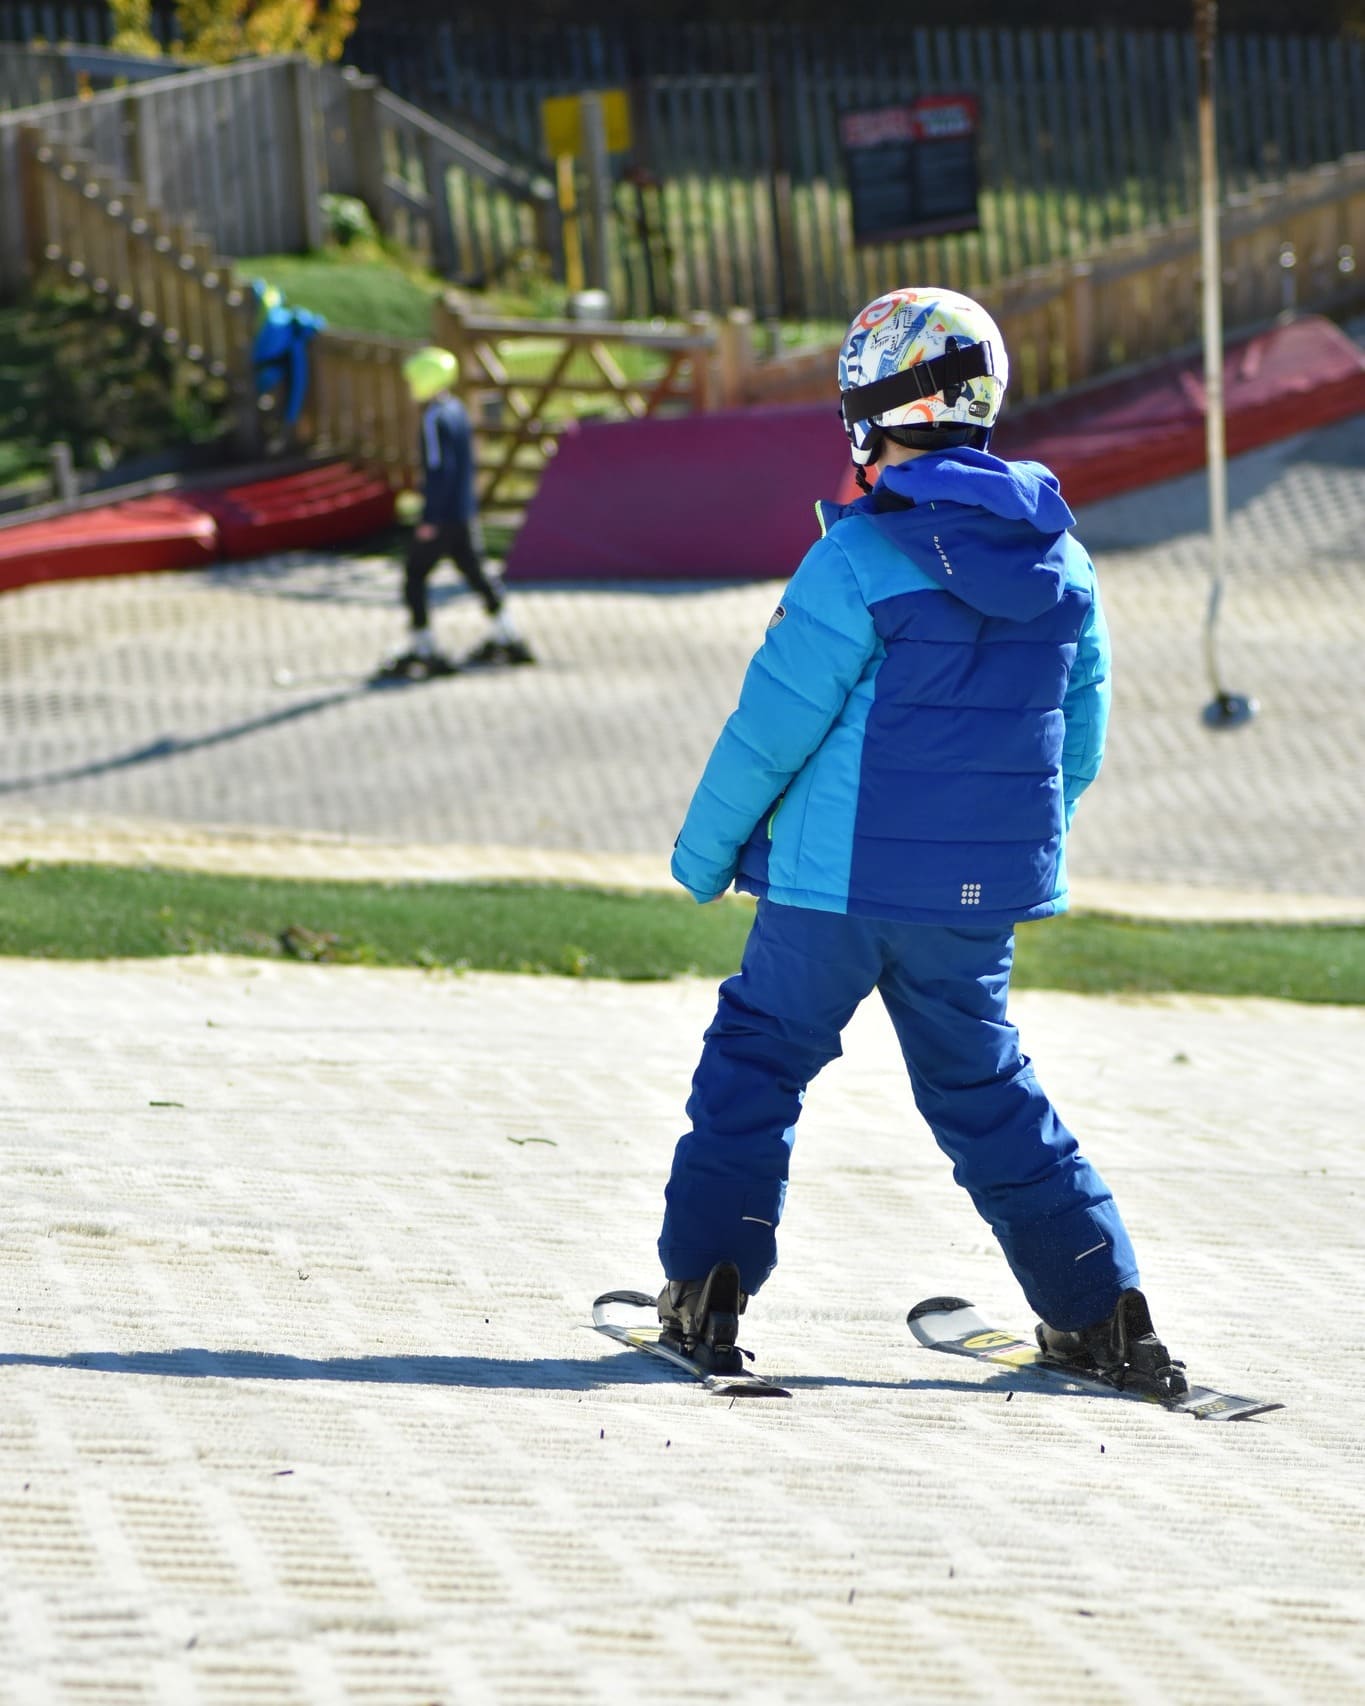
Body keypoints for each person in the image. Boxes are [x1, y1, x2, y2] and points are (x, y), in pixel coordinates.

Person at [656, 286, 1186, 1398]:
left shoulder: (854, 558)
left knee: (756, 1062)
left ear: (872, 415)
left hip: (830, 894)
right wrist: (992, 840)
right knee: (988, 1092)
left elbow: (769, 732)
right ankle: (1103, 1307)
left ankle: (706, 1289)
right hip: (972, 898)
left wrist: (703, 858)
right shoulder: (1066, 567)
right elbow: (1071, 746)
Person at [380, 347, 535, 680]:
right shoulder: (457, 409)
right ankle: (506, 631)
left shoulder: (433, 418)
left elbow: (439, 471)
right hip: (463, 512)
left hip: (444, 516)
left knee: (415, 576)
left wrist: (430, 520)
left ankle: (423, 645)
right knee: (476, 572)